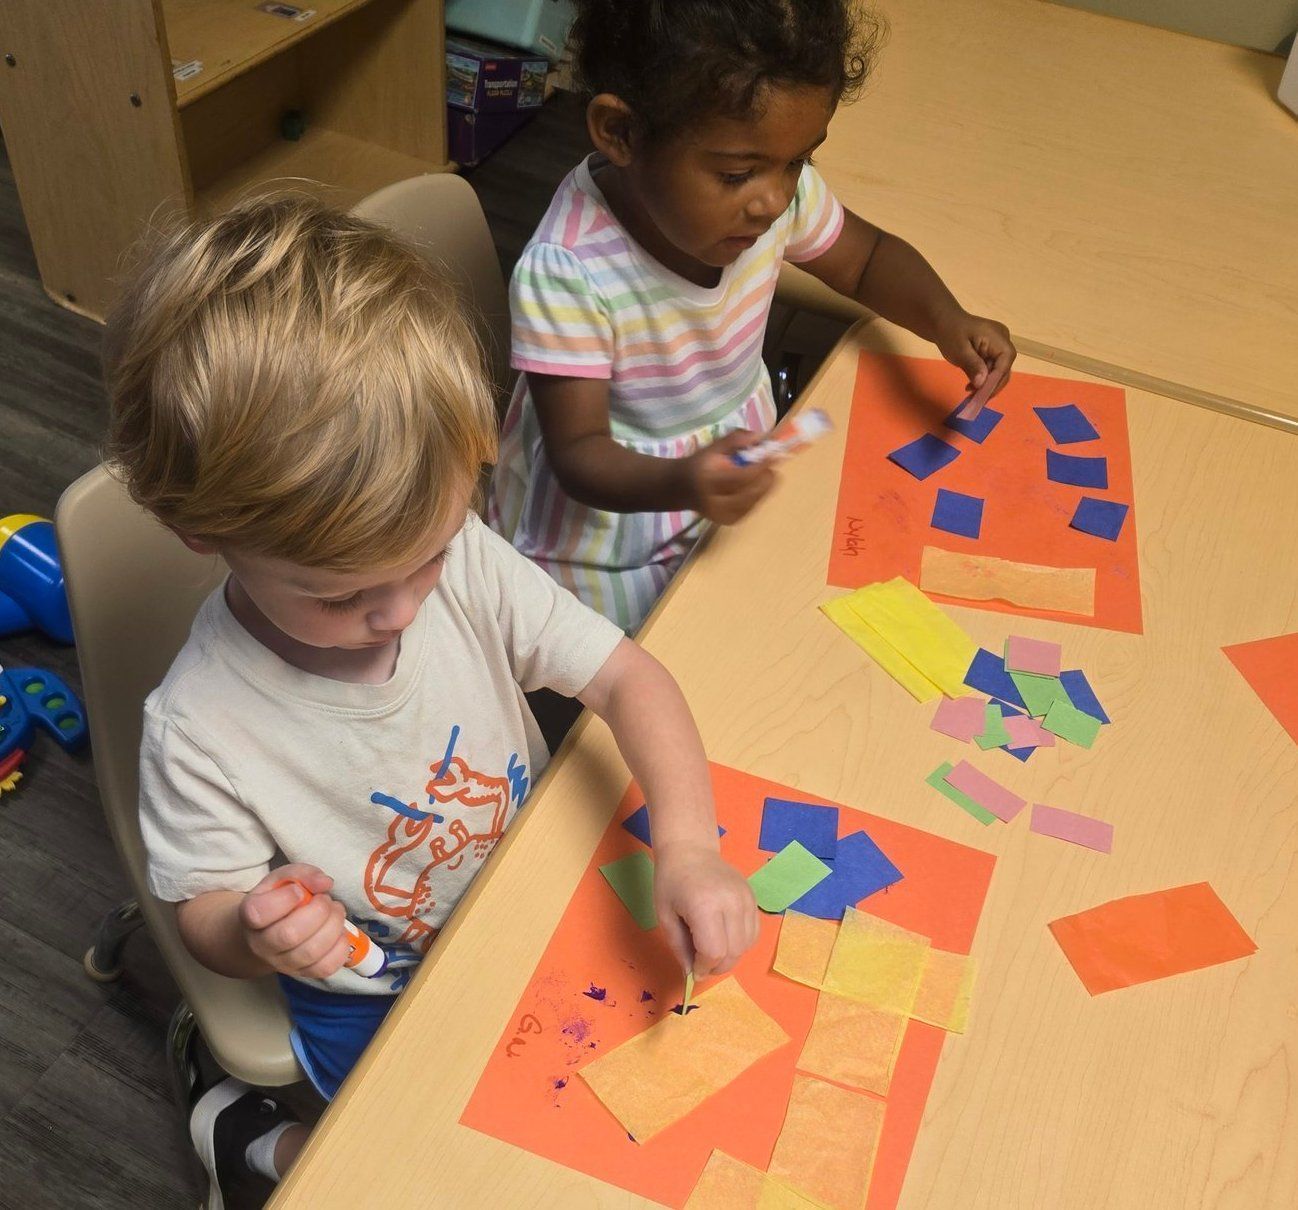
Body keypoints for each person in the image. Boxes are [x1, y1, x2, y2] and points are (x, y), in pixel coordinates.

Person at [103, 196, 756, 1208]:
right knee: (408, 1165)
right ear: (204, 535)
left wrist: (687, 845)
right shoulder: (199, 729)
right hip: (370, 994)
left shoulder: (460, 566)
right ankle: (252, 1141)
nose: (403, 609)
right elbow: (203, 913)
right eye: (342, 593)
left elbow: (628, 677)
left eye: (430, 553)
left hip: (523, 904)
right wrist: (257, 933)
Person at [489, 0, 1017, 633]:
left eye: (799, 162)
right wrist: (687, 479)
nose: (773, 199)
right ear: (621, 133)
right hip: (604, 545)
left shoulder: (768, 194)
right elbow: (579, 456)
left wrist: (944, 318)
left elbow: (866, 258)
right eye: (738, 173)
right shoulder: (570, 271)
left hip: (723, 486)